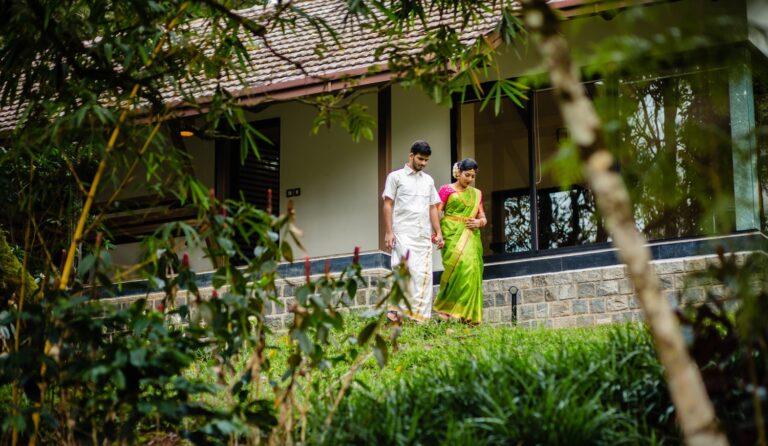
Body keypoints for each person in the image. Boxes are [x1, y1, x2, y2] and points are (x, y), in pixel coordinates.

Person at [382, 140, 444, 322]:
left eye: (426, 160)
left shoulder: (428, 180)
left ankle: (420, 317)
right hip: (402, 232)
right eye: (420, 159)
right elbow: (387, 204)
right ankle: (395, 312)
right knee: (403, 269)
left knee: (423, 274)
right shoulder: (395, 177)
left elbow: (433, 207)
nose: (423, 163)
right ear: (411, 156)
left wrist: (438, 232)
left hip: (423, 235)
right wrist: (388, 232)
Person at [433, 158, 486, 324]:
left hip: (471, 235)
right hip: (451, 234)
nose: (469, 179)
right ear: (458, 173)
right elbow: (436, 212)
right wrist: (437, 233)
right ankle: (446, 309)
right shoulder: (446, 190)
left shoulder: (477, 194)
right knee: (456, 270)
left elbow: (482, 217)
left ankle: (466, 314)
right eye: (467, 175)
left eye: (472, 176)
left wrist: (478, 222)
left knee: (470, 270)